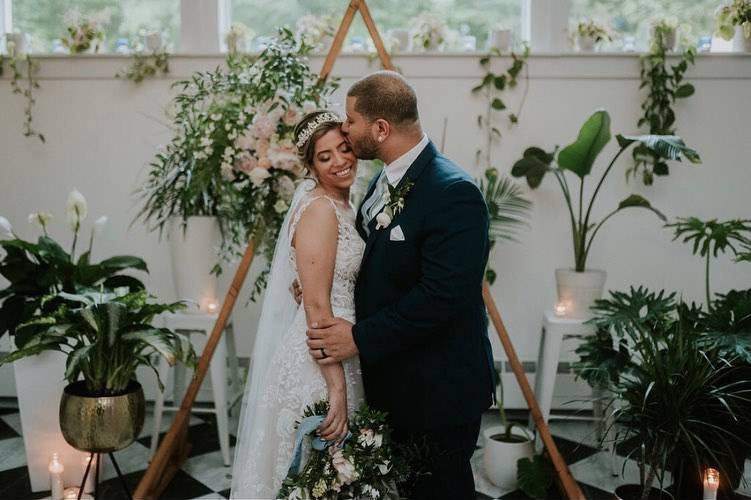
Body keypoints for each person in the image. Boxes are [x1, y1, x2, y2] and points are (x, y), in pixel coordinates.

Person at [305, 71, 496, 500]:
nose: (345, 130)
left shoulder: (454, 192)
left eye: (351, 121)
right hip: (395, 383)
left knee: (441, 491)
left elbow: (442, 296)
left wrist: (358, 338)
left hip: (438, 391)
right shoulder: (383, 179)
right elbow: (373, 264)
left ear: (380, 128)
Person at [230, 110, 366, 499]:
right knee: (315, 475)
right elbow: (318, 310)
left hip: (346, 351)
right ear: (310, 166)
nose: (340, 161)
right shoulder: (320, 211)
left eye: (344, 148)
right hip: (320, 364)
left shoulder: (345, 206)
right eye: (325, 157)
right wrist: (336, 391)